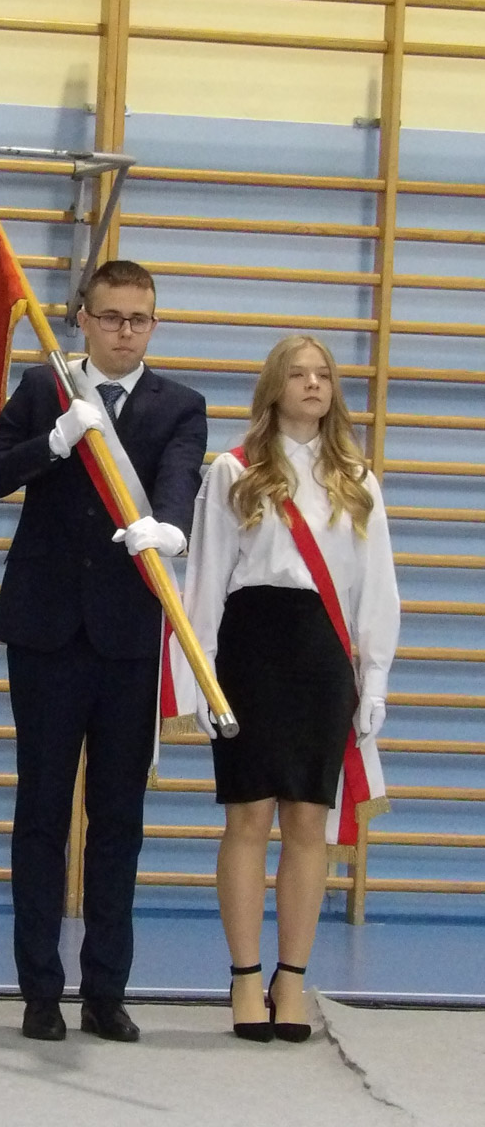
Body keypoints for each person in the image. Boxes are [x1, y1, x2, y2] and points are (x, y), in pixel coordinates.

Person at [0, 259, 207, 1043]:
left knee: (118, 819)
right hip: (45, 632)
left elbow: (179, 482)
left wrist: (170, 530)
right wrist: (54, 442)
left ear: (154, 325)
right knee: (40, 812)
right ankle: (39, 990)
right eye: (111, 317)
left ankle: (106, 991)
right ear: (84, 320)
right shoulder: (47, 389)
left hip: (129, 635)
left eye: (139, 319)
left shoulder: (180, 405)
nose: (125, 332)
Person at [181, 334, 399, 1042]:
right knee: (247, 817)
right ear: (274, 386)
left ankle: (292, 977)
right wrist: (201, 676)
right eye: (299, 374)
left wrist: (374, 680)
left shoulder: (357, 479)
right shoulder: (235, 470)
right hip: (250, 650)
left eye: (323, 375)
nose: (313, 384)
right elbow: (206, 579)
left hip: (321, 654)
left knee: (308, 820)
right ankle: (246, 976)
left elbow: (377, 587)